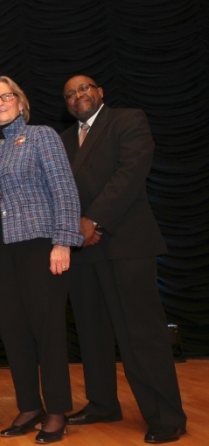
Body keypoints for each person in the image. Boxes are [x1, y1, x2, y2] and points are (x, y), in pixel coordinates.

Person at [60, 75, 187, 444]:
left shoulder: (128, 120)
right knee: (91, 332)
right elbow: (60, 189)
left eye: (84, 88)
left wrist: (95, 220)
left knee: (141, 334)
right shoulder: (65, 140)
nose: (78, 96)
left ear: (100, 92)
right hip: (82, 250)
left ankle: (167, 414)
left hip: (126, 244)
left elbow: (129, 173)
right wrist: (75, 229)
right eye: (70, 94)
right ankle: (102, 403)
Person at [0, 76, 83, 444]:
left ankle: (56, 410)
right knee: (14, 332)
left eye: (6, 97)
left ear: (20, 101)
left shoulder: (42, 136)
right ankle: (29, 405)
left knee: (47, 330)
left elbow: (64, 190)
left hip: (40, 246)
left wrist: (63, 242)